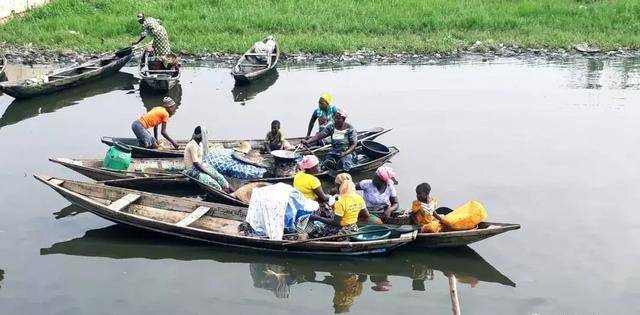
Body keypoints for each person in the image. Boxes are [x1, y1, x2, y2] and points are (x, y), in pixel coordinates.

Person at [183, 126, 233, 193]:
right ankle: (224, 194)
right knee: (212, 183)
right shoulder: (192, 145)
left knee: (220, 178)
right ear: (200, 135)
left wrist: (210, 172)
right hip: (192, 170)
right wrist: (209, 174)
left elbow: (200, 162)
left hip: (201, 167)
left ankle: (235, 194)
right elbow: (196, 164)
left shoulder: (200, 144)